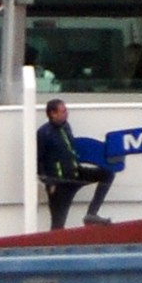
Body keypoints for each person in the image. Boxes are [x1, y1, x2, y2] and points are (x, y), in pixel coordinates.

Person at [36, 97, 105, 229]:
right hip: (60, 183)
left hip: (75, 173)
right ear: (52, 113)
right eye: (62, 111)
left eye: (66, 110)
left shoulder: (66, 127)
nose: (66, 113)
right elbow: (38, 159)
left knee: (106, 174)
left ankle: (92, 213)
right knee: (58, 223)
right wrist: (49, 182)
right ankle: (56, 245)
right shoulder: (44, 133)